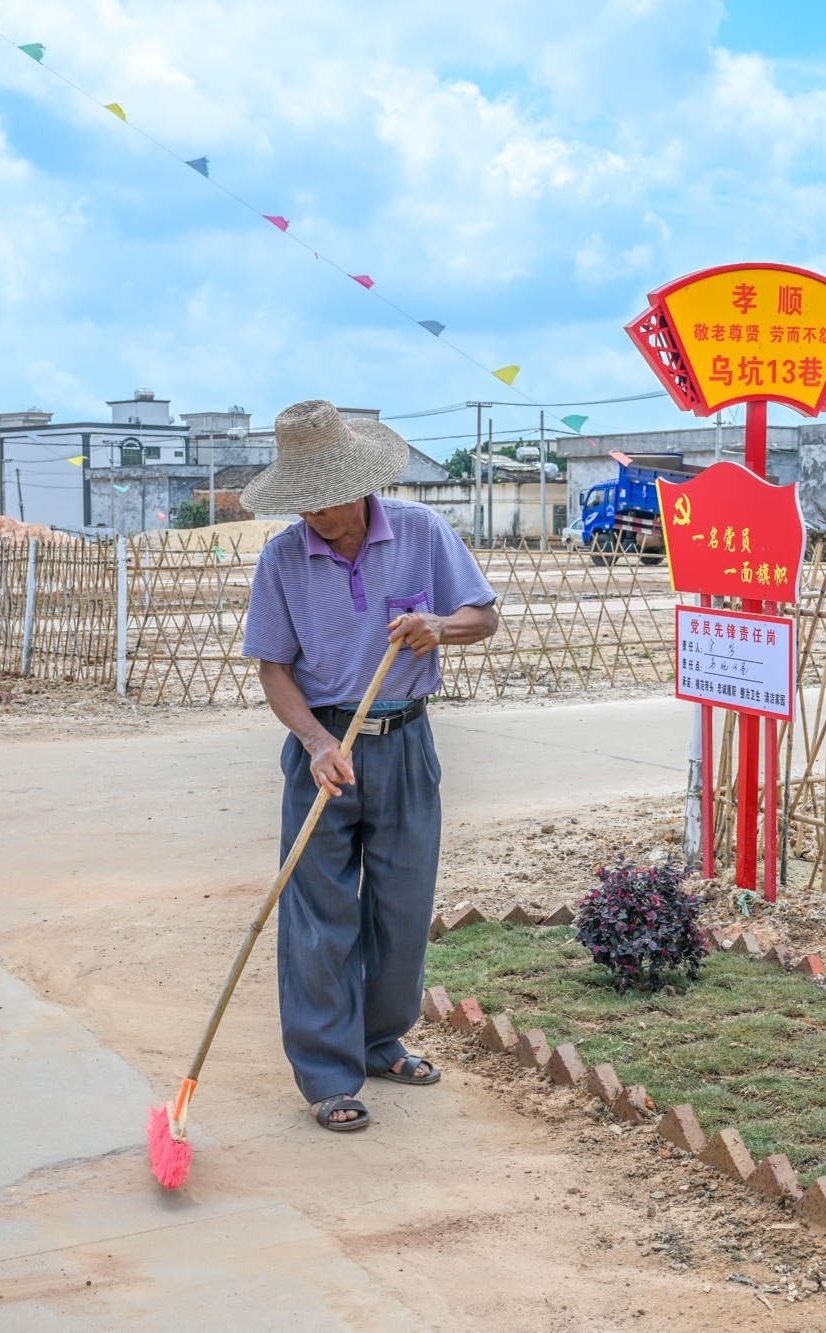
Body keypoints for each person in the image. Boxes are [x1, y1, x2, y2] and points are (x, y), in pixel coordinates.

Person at [240, 400, 499, 1133]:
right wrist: (318, 744)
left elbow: (483, 615)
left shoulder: (421, 531)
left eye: (327, 498)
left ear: (361, 483)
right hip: (324, 748)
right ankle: (326, 1072)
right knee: (318, 915)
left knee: (403, 908)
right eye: (304, 502)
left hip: (406, 741)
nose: (317, 515)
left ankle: (381, 1040)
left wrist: (438, 627)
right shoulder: (284, 558)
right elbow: (274, 669)